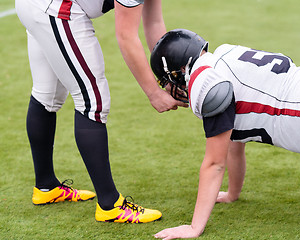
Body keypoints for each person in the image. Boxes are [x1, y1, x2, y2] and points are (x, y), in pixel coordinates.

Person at [150, 29, 300, 239]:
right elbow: (234, 143)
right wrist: (233, 194)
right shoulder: (224, 56)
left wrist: (194, 227)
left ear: (178, 71)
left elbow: (215, 163)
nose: (168, 89)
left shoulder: (208, 83)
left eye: (165, 82)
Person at [15, 0, 187, 224]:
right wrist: (154, 93)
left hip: (34, 5)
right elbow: (126, 37)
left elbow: (153, 22)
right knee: (92, 101)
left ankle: (46, 186)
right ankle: (110, 205)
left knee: (46, 94)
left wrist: (169, 76)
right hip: (54, 6)